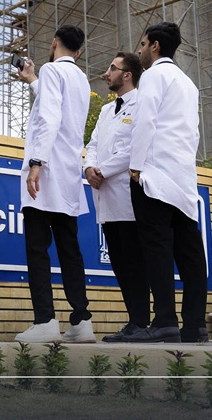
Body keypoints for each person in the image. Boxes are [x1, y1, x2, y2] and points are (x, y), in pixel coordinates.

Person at [127, 22, 208, 344]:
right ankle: (195, 325)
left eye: (143, 44)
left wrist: (135, 168)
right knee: (191, 254)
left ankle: (164, 321)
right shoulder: (189, 83)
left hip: (155, 177)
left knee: (157, 251)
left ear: (155, 46)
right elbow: (194, 132)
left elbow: (144, 121)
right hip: (183, 177)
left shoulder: (153, 76)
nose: (140, 51)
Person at [15, 25, 94, 343]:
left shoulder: (51, 71)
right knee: (70, 250)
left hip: (46, 171)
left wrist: (36, 163)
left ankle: (45, 320)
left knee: (37, 248)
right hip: (68, 175)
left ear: (54, 43)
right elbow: (58, 107)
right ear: (79, 51)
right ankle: (82, 320)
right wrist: (33, 80)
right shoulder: (81, 78)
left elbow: (49, 117)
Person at [83, 52, 150, 342]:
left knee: (135, 263)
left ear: (127, 75)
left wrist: (103, 170)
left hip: (127, 195)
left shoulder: (142, 104)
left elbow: (136, 147)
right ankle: (134, 321)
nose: (107, 73)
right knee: (120, 265)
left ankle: (141, 322)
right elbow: (93, 144)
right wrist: (89, 168)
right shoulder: (106, 110)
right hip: (105, 197)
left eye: (113, 68)